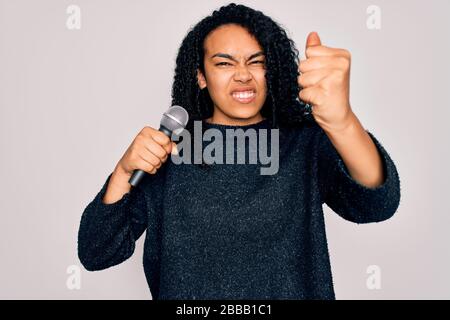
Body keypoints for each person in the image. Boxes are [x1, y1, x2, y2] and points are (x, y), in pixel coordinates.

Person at [78, 3, 401, 300]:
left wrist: (343, 121)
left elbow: (377, 204)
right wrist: (122, 173)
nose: (243, 74)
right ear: (201, 77)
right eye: (224, 63)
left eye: (256, 62)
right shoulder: (171, 149)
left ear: (271, 71)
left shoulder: (303, 143)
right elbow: (97, 252)